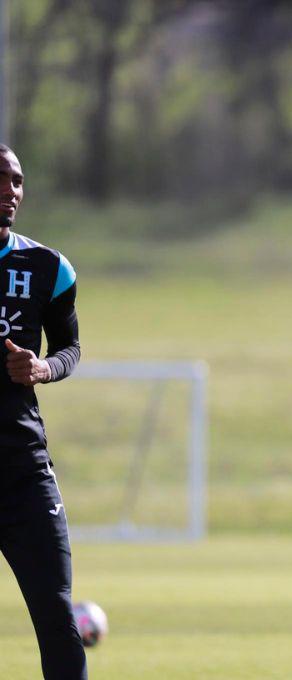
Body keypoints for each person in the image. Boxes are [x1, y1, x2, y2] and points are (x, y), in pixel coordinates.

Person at [0, 144, 86, 679]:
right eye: (0, 180)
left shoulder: (48, 267)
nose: (11, 191)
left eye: (17, 181)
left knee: (58, 619)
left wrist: (42, 370)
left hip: (23, 470)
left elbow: (71, 348)